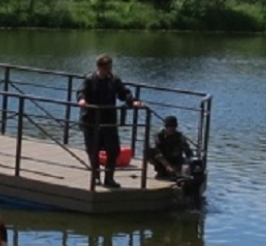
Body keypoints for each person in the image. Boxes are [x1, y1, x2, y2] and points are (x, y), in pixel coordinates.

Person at [76, 54, 143, 188]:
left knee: (113, 150)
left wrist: (133, 101)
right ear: (99, 67)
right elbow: (81, 92)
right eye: (106, 68)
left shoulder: (114, 80)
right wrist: (82, 100)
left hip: (108, 119)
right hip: (91, 119)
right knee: (93, 150)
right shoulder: (89, 79)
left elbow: (123, 93)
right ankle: (96, 177)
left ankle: (109, 178)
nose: (108, 71)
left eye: (110, 68)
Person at [146, 115, 194, 180]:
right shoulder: (159, 136)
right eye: (168, 126)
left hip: (176, 160)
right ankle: (162, 171)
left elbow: (188, 152)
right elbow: (155, 150)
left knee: (188, 165)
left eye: (173, 126)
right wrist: (167, 165)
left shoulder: (179, 137)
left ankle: (177, 173)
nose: (171, 128)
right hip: (163, 160)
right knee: (148, 151)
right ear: (165, 127)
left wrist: (188, 164)